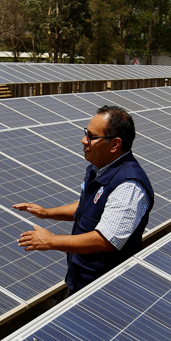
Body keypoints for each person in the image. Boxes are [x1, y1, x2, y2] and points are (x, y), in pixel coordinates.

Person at [14, 105, 154, 293]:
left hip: (104, 289)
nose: (83, 140)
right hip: (81, 278)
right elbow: (88, 206)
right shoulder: (99, 169)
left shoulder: (129, 185)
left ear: (115, 144)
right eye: (85, 133)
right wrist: (46, 213)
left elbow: (105, 240)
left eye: (92, 136)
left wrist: (51, 241)